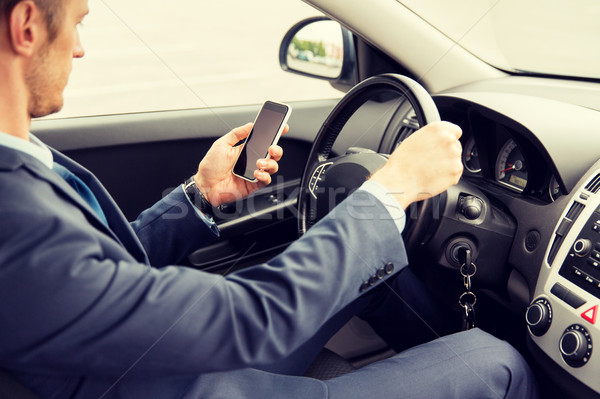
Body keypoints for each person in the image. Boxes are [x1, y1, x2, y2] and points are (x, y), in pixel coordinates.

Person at [0, 0, 539, 398]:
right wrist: (391, 190)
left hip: (156, 367)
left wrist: (199, 197)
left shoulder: (20, 163)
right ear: (26, 26)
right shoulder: (13, 215)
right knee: (499, 361)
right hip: (174, 384)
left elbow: (88, 283)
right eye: (77, 22)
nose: (79, 46)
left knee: (377, 272)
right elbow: (247, 319)